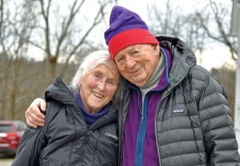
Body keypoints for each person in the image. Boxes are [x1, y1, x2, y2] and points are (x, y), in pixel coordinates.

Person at [25, 6, 240, 166]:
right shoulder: (122, 90)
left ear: (155, 46)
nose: (130, 63)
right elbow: (84, 105)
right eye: (120, 58)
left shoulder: (197, 83)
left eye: (135, 52)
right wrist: (44, 103)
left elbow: (225, 152)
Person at [12, 50, 120, 166]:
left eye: (111, 82)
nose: (102, 86)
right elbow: (23, 161)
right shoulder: (48, 111)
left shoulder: (121, 122)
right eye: (96, 75)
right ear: (81, 78)